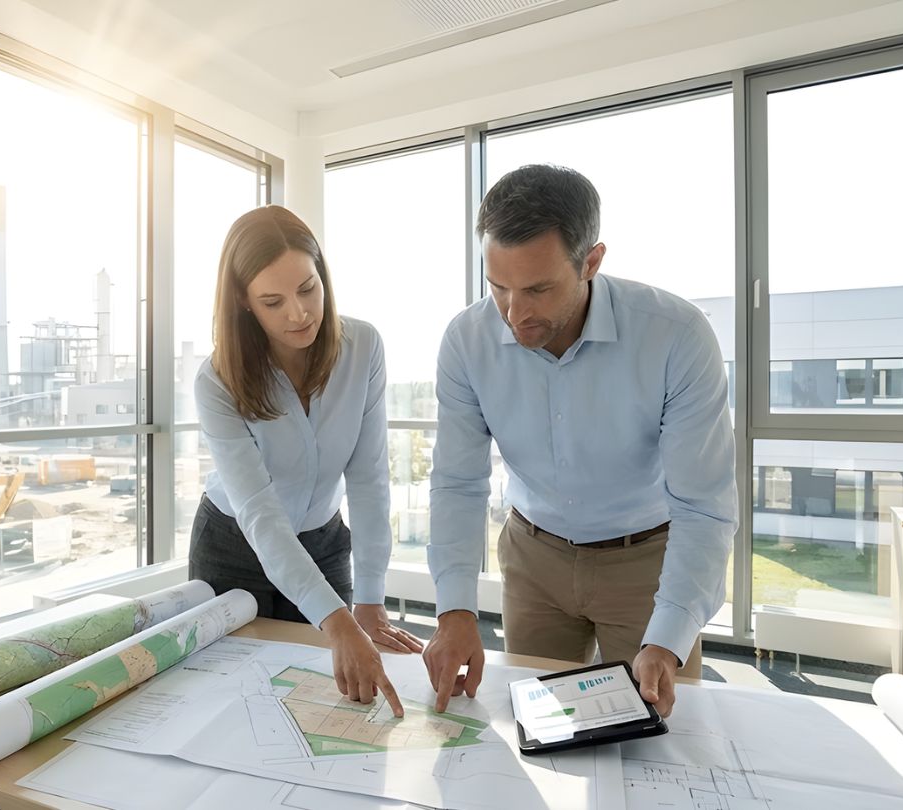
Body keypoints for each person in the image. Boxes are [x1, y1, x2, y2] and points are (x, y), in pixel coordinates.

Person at [421, 164, 737, 717]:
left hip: (647, 562)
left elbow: (704, 507)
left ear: (591, 261)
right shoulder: (465, 342)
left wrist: (666, 640)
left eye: (538, 289)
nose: (514, 315)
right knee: (538, 731)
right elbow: (457, 484)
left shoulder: (677, 336)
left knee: (657, 739)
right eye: (499, 288)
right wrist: (455, 611)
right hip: (532, 559)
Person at [191, 205, 424, 714]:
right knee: (230, 706)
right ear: (243, 301)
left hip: (322, 543)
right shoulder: (216, 380)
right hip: (232, 548)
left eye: (308, 288)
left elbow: (368, 480)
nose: (298, 313)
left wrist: (368, 599)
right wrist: (337, 621)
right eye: (272, 301)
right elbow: (258, 510)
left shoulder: (363, 347)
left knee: (330, 698)